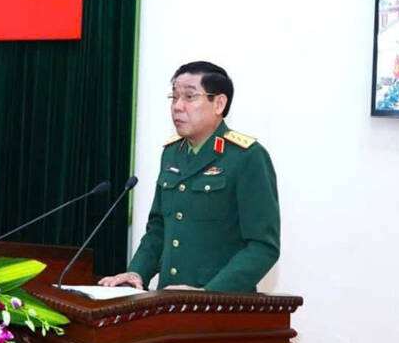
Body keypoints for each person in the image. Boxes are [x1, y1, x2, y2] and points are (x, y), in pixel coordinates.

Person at [99, 61, 280, 293]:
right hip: (168, 303)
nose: (177, 106)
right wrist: (136, 272)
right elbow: (158, 228)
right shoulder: (172, 154)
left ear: (219, 103)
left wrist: (210, 294)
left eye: (189, 97)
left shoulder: (247, 156)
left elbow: (262, 247)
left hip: (222, 311)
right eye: (174, 97)